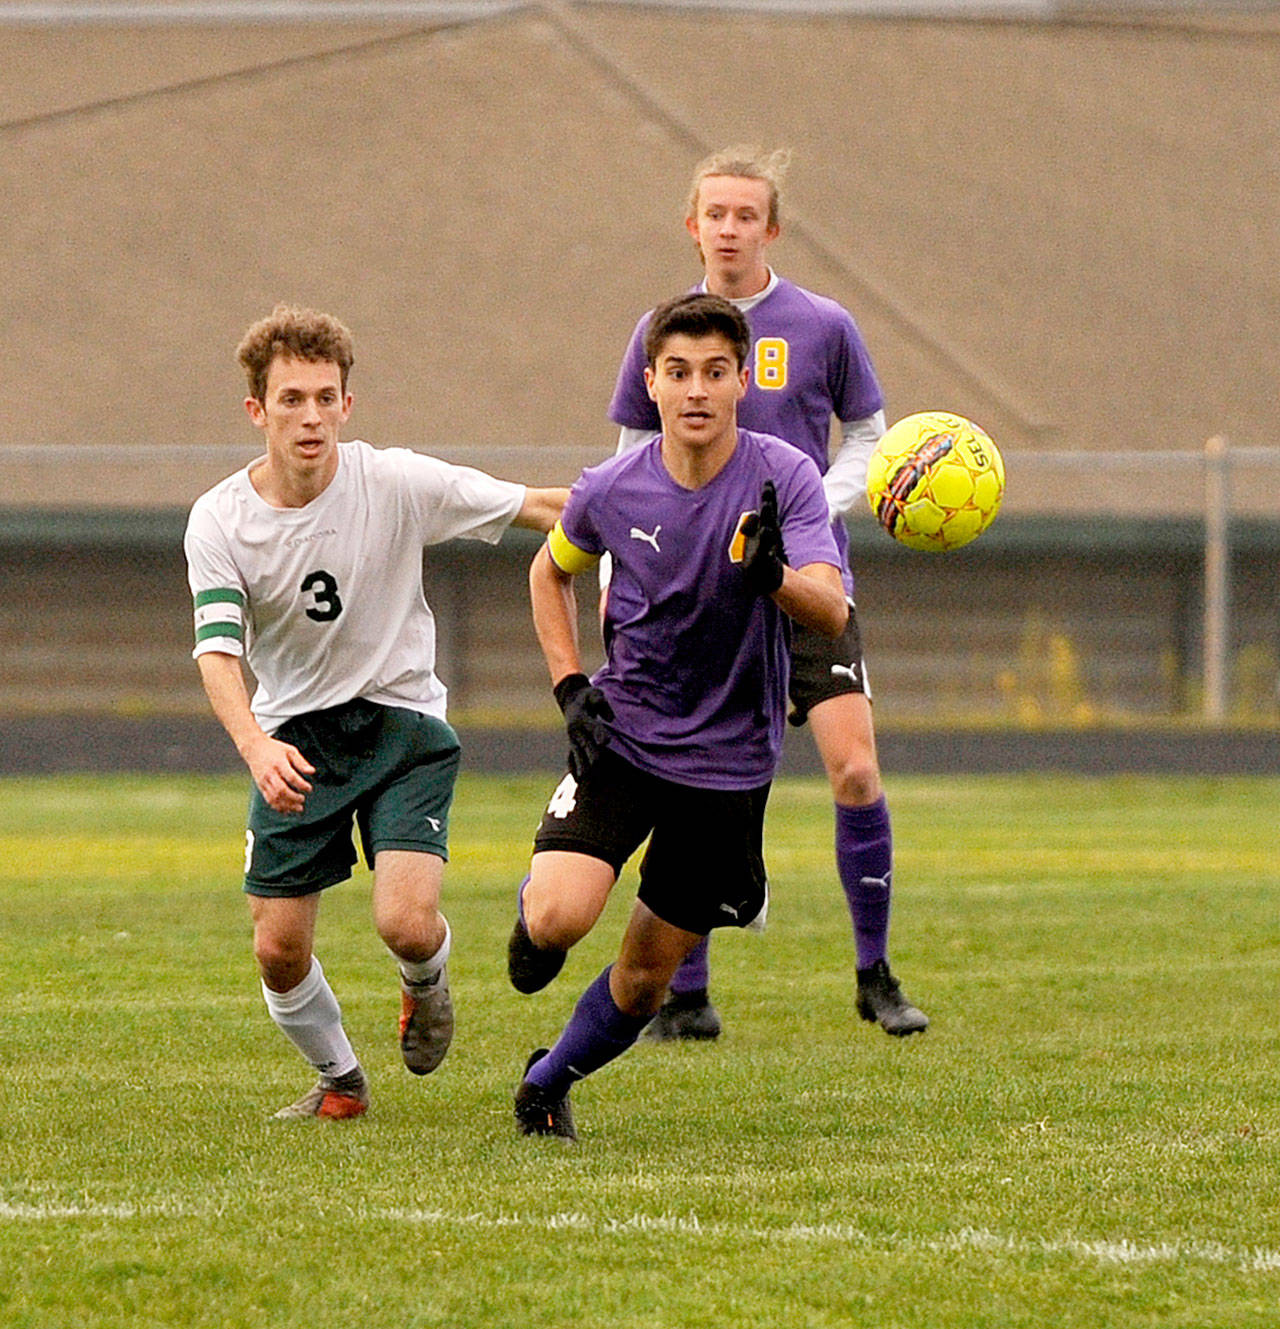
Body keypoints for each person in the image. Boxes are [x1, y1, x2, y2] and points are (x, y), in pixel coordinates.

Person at [183, 305, 566, 1119]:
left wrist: (672, 519)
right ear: (257, 410)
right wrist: (256, 746)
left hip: (403, 727)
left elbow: (541, 507)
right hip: (294, 740)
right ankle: (341, 1081)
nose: (311, 415)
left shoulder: (393, 480)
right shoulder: (219, 520)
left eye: (326, 396)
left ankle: (425, 983)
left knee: (405, 922)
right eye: (291, 399)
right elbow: (217, 651)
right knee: (277, 949)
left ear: (348, 404)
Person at [506, 293, 848, 1140]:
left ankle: (547, 1081)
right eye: (679, 372)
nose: (697, 389)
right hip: (624, 735)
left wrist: (774, 576)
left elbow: (831, 610)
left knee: (648, 975)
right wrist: (569, 684)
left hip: (729, 764)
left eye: (715, 372)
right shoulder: (612, 489)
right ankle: (535, 921)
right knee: (557, 917)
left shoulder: (786, 478)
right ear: (651, 383)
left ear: (741, 384)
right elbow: (552, 574)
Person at [607, 145, 928, 1041]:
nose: (730, 228)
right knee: (690, 780)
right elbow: (633, 464)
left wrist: (807, 511)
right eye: (716, 214)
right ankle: (689, 992)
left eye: (747, 215)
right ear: (692, 225)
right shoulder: (660, 328)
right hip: (697, 598)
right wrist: (619, 572)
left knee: (855, 767)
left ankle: (875, 973)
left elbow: (870, 434)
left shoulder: (823, 322)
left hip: (805, 583)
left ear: (772, 228)